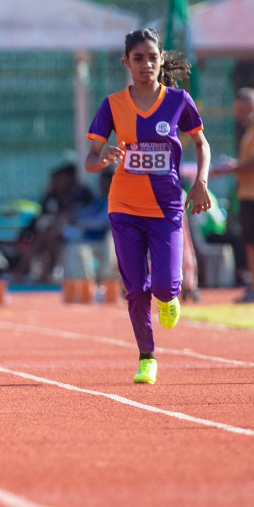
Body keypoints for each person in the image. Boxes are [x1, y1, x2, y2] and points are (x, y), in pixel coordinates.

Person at [84, 28, 212, 385]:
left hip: (167, 208)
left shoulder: (178, 100)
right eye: (138, 58)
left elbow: (201, 144)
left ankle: (170, 295)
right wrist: (103, 157)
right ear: (126, 62)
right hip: (123, 206)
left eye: (152, 58)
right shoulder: (112, 105)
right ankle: (147, 356)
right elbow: (90, 161)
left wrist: (201, 181)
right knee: (136, 288)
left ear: (160, 59)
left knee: (165, 287)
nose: (146, 65)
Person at [215, 88, 254, 302]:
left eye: (242, 110)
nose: (239, 115)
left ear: (253, 107)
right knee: (251, 243)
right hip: (247, 194)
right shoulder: (251, 130)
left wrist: (230, 168)